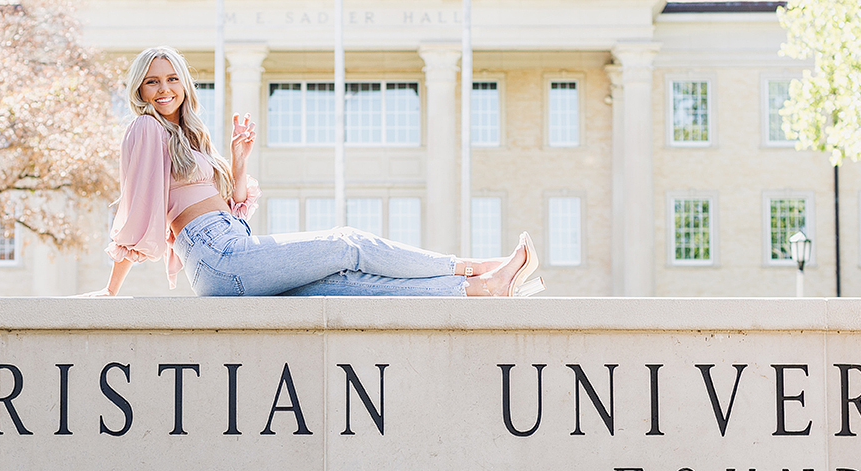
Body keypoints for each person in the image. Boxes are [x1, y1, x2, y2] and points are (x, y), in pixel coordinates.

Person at [83, 46, 544, 297]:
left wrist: (238, 162)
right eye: (152, 81)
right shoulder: (146, 129)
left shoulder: (190, 138)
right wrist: (110, 289)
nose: (163, 89)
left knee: (348, 285)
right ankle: (474, 266)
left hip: (231, 250)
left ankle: (482, 289)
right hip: (217, 256)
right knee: (348, 243)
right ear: (140, 90)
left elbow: (233, 211)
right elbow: (136, 209)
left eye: (171, 78)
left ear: (184, 83)